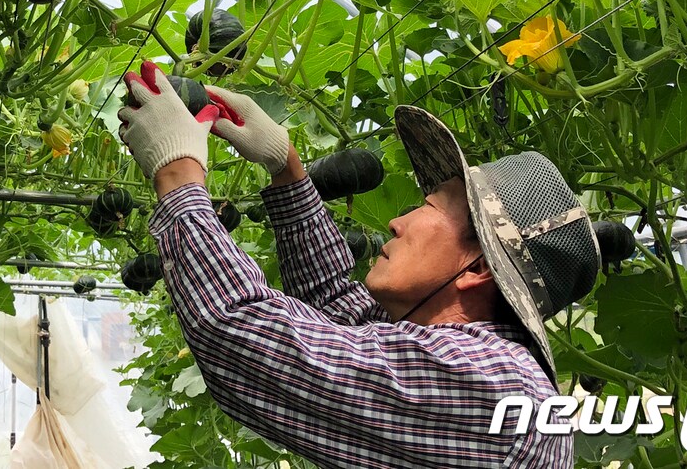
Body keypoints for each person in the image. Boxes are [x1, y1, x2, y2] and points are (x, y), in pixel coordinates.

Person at [116, 61, 603, 469]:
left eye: (428, 207)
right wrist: (287, 169)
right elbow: (339, 315)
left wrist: (179, 176)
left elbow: (243, 338)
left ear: (477, 268)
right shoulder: (477, 363)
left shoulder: (496, 385)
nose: (396, 221)